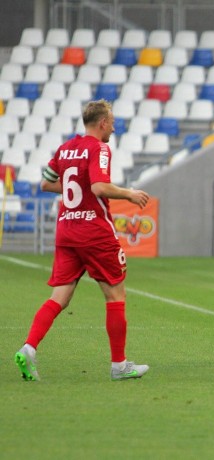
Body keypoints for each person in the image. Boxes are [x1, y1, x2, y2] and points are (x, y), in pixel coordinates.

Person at [14, 100, 151, 382]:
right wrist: (129, 193)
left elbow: (45, 183)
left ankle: (29, 348)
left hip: (66, 229)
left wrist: (74, 189)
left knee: (59, 298)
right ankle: (119, 365)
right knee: (115, 295)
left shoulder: (66, 149)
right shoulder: (99, 148)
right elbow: (100, 186)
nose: (113, 127)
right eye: (111, 122)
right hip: (94, 231)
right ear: (102, 123)